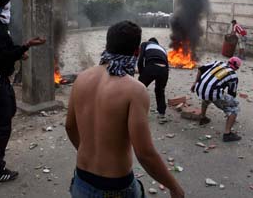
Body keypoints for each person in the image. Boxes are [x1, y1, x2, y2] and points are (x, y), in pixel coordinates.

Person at [66, 21, 184, 198]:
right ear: (137, 51)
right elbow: (145, 154)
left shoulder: (81, 79)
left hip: (81, 180)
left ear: (107, 45)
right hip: (116, 188)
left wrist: (88, 153)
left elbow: (69, 127)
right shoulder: (135, 90)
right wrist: (174, 187)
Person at [0, 0, 46, 184]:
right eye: (7, 8)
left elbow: (3, 50)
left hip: (0, 79)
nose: (9, 11)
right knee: (4, 124)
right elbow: (2, 56)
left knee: (9, 111)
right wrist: (26, 46)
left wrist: (18, 52)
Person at [190, 57, 242, 142]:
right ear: (237, 68)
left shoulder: (217, 63)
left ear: (228, 61)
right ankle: (227, 134)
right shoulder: (233, 76)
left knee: (208, 95)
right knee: (234, 108)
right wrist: (227, 107)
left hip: (199, 88)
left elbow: (200, 69)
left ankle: (203, 117)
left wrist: (195, 83)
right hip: (211, 93)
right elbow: (232, 94)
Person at [138, 37, 169, 123]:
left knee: (139, 89)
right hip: (164, 70)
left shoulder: (145, 44)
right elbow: (166, 63)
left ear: (150, 41)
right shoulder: (162, 48)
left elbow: (140, 59)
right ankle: (161, 114)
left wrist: (142, 73)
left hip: (151, 66)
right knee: (160, 91)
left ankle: (137, 112)